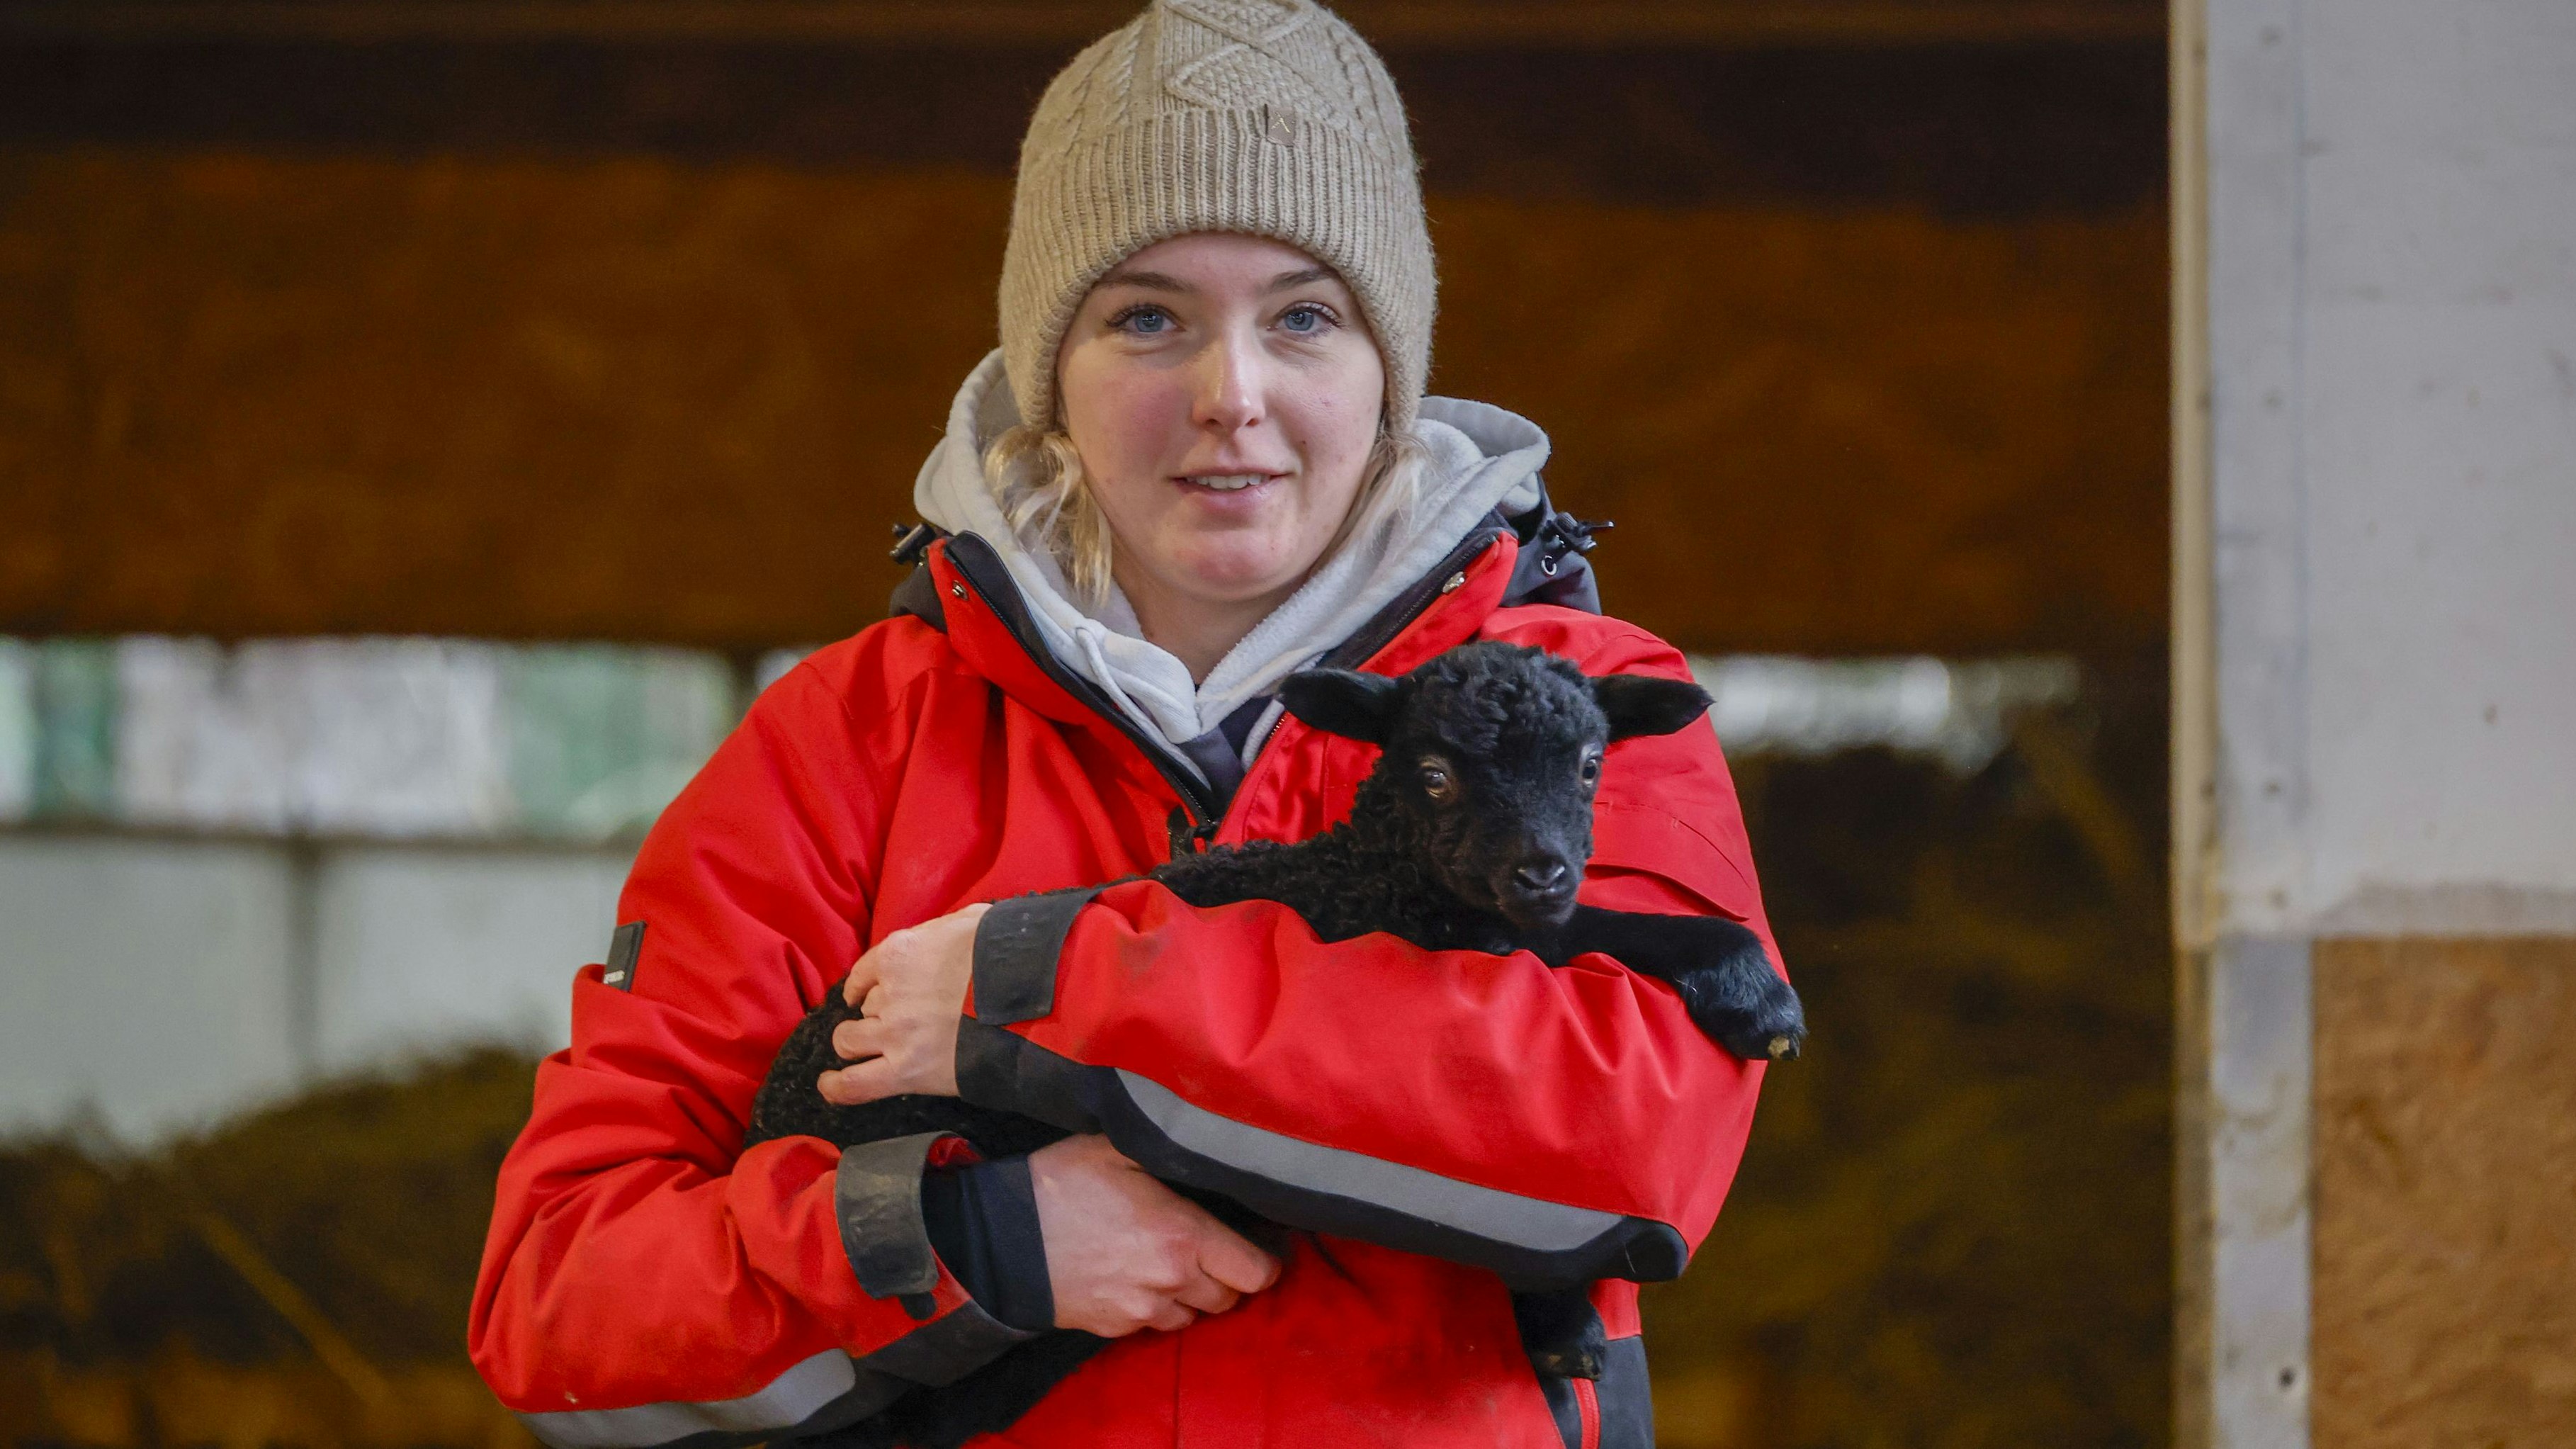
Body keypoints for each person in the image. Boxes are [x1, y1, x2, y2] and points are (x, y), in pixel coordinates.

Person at [468, 4, 1781, 1446]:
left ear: (1388, 368)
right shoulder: (847, 743)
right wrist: (978, 1242)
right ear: (1052, 375)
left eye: (1305, 316)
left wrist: (1051, 990)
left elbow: (1634, 1143)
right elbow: (565, 1301)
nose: (1233, 395)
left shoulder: (1571, 703)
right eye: (1146, 317)